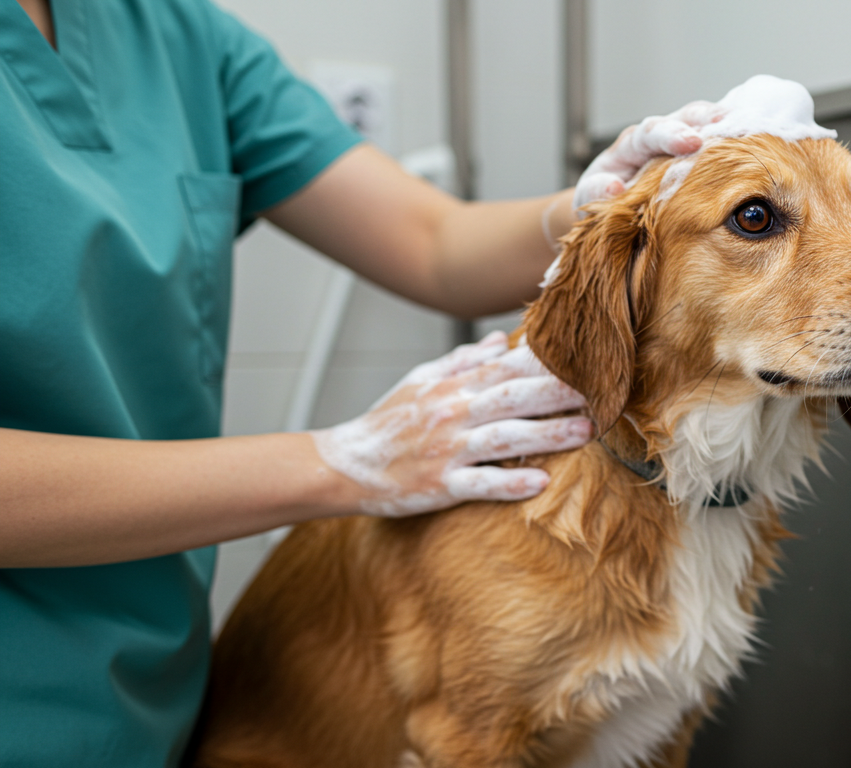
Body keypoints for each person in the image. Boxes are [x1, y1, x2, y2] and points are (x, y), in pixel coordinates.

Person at [0, 0, 721, 764]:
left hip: (148, 711)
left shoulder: (172, 33)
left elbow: (433, 241)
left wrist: (591, 206)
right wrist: (340, 462)